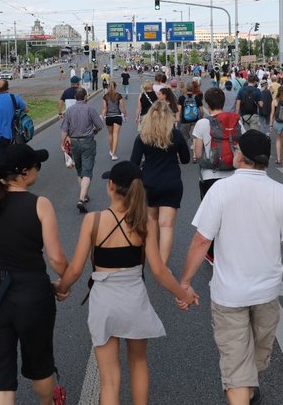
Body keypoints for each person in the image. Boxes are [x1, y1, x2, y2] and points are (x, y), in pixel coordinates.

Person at [178, 130, 283, 405]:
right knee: (258, 357)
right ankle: (247, 390)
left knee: (239, 367)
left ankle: (243, 389)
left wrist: (185, 282)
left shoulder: (220, 190)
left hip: (229, 293)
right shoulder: (281, 193)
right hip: (267, 293)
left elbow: (203, 239)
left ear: (241, 157)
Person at [54, 162, 196, 405]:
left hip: (104, 301)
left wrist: (62, 288)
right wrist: (184, 295)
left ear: (111, 186)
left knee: (109, 378)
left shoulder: (93, 221)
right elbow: (159, 271)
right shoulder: (145, 223)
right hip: (134, 299)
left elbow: (76, 269)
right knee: (138, 363)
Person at [0, 144, 68, 405]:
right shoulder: (40, 205)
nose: (38, 170)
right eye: (37, 166)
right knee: (40, 362)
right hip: (32, 293)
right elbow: (56, 259)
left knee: (0, 378)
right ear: (24, 173)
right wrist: (65, 281)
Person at [130, 101, 190, 264]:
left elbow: (133, 163)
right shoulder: (175, 135)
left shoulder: (143, 136)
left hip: (149, 182)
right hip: (171, 182)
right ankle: (162, 266)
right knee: (167, 226)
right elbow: (186, 159)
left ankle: (153, 256)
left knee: (151, 222)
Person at [192, 87, 238, 264]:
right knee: (230, 216)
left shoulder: (202, 124)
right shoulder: (235, 122)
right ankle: (230, 250)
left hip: (209, 176)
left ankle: (211, 254)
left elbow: (197, 153)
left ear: (206, 104)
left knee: (210, 217)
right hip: (233, 175)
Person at [60, 88, 105, 213]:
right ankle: (81, 198)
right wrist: (94, 131)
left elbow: (64, 129)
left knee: (79, 170)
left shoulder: (69, 110)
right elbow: (100, 125)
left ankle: (84, 195)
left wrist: (63, 143)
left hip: (74, 142)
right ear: (85, 97)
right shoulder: (90, 109)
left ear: (75, 97)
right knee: (87, 170)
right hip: (87, 142)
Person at [0, 79, 28, 166]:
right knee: (14, 158)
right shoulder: (14, 97)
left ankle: (3, 176)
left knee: (0, 161)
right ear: (8, 87)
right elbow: (26, 109)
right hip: (13, 135)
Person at [100, 83, 127, 161]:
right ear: (115, 87)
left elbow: (104, 108)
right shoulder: (119, 96)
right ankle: (114, 154)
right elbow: (122, 108)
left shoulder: (105, 96)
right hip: (117, 117)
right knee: (115, 135)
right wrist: (125, 115)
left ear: (108, 87)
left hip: (108, 117)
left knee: (110, 134)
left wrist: (102, 117)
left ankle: (111, 150)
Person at [176, 81, 203, 148]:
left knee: (184, 136)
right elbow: (201, 109)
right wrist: (201, 117)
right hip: (195, 119)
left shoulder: (182, 98)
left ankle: (184, 148)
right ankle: (194, 147)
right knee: (194, 135)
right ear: (193, 89)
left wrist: (178, 118)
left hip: (184, 120)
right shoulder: (196, 97)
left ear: (186, 88)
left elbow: (179, 109)